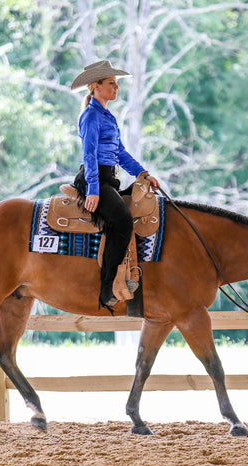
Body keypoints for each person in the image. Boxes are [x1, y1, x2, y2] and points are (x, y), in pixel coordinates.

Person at [70, 60, 160, 309]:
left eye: (116, 83)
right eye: (111, 83)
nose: (116, 87)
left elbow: (120, 153)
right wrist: (93, 189)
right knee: (121, 221)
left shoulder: (107, 116)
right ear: (96, 87)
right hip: (95, 178)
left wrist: (143, 173)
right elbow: (89, 155)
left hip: (108, 178)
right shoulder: (91, 116)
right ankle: (108, 287)